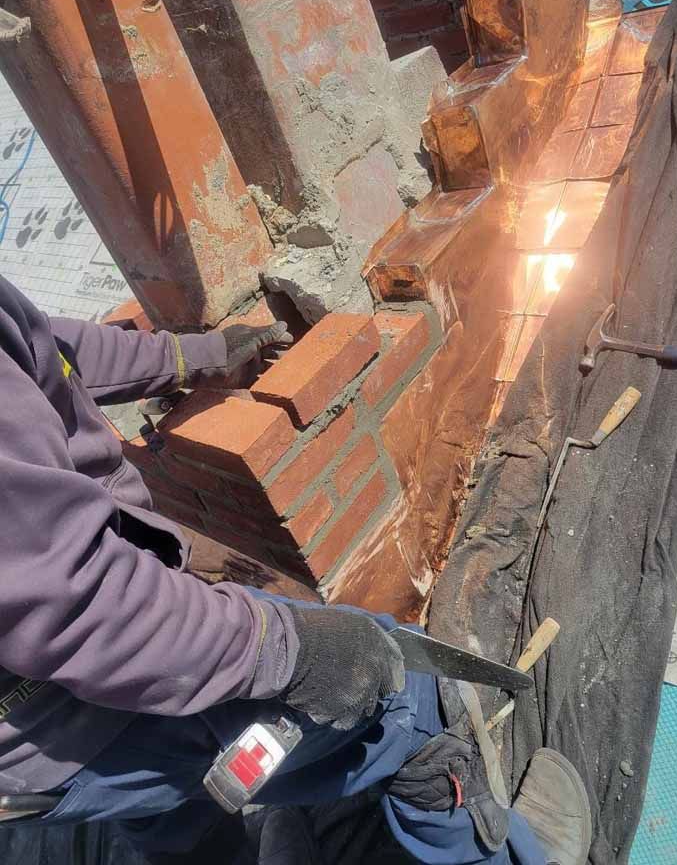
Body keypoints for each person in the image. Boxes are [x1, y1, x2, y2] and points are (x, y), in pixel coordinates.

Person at [0, 273, 591, 864]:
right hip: (64, 707)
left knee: (170, 816)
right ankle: (507, 856)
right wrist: (295, 653)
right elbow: (75, 599)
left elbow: (38, 348)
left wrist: (191, 358)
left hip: (39, 742)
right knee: (405, 693)